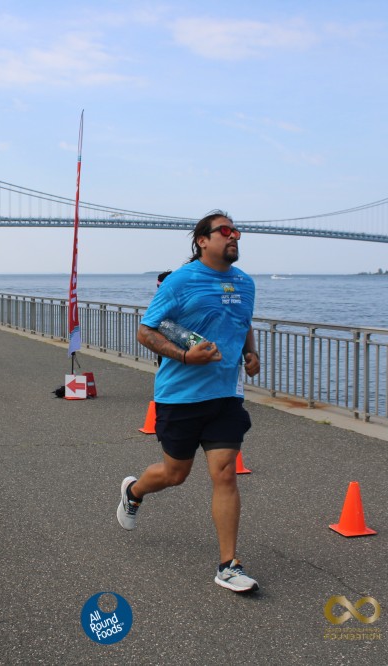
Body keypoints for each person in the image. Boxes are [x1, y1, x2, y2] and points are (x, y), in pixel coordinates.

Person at [117, 210, 261, 594]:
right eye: (225, 231)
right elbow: (146, 331)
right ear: (202, 240)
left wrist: (251, 353)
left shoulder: (245, 283)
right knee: (175, 474)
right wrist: (184, 355)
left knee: (225, 473)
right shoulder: (180, 281)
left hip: (225, 396)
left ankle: (228, 565)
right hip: (180, 396)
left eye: (237, 231)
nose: (234, 236)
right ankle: (134, 492)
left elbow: (243, 322)